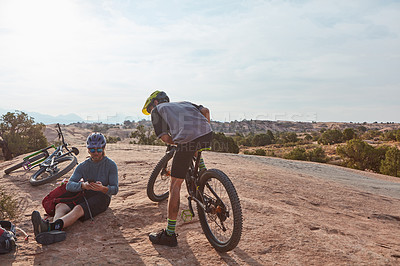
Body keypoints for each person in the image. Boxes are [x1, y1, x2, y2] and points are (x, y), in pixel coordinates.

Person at [142, 90, 213, 247]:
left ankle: (169, 234)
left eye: (149, 109)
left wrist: (180, 142)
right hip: (208, 134)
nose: (150, 112)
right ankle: (203, 174)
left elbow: (165, 138)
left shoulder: (157, 111)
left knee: (175, 185)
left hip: (187, 141)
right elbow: (205, 111)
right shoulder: (185, 103)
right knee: (195, 144)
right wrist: (202, 131)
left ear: (154, 103)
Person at [31, 133, 119, 245]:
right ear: (88, 150)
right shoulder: (83, 166)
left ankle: (51, 227)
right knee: (60, 206)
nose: (95, 153)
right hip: (85, 193)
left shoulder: (111, 165)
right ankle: (55, 230)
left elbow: (115, 189)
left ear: (103, 148)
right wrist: (83, 186)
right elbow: (69, 185)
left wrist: (103, 188)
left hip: (102, 197)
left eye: (98, 149)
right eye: (92, 150)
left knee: (78, 209)